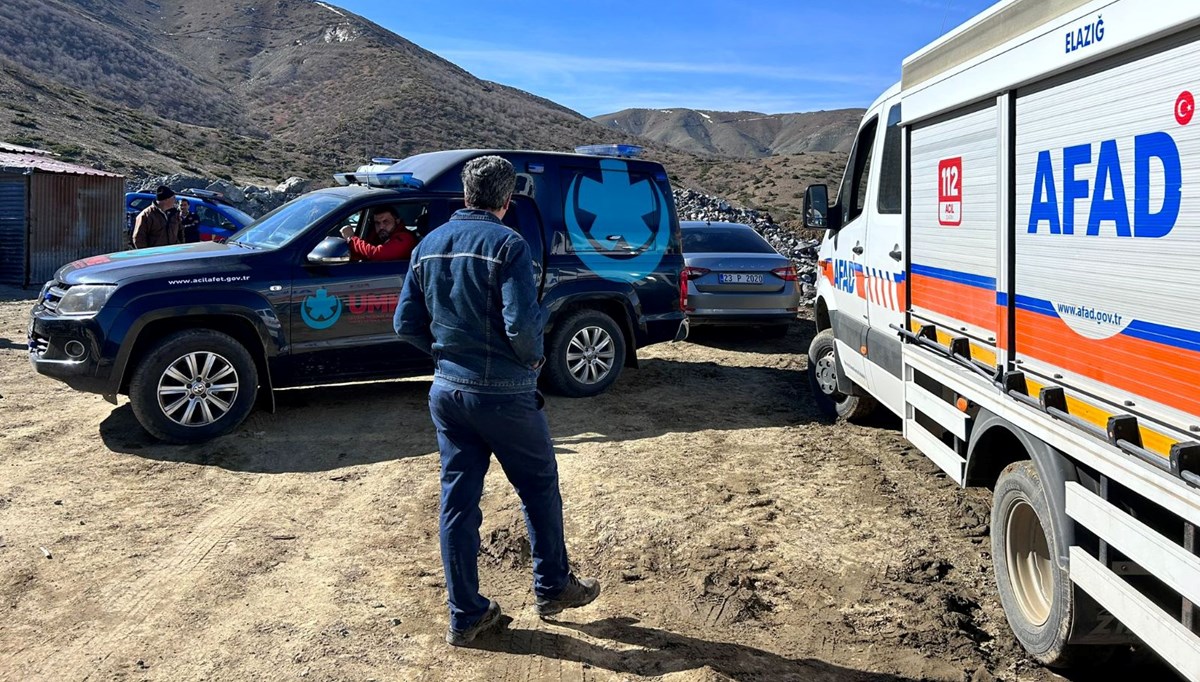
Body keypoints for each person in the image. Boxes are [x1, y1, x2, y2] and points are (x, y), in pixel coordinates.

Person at [394, 156, 600, 647]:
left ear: (465, 195)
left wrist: (446, 355)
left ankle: (466, 615)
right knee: (538, 486)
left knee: (458, 503)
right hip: (504, 394)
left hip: (447, 392)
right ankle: (552, 587)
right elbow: (521, 327)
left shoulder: (427, 245)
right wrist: (532, 363)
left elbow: (405, 323)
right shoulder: (508, 244)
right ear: (507, 201)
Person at [339, 206, 416, 261]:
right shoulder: (377, 236)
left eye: (386, 222)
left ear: (397, 221)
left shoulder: (405, 238)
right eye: (377, 223)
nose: (381, 227)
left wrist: (351, 239)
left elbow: (377, 254)